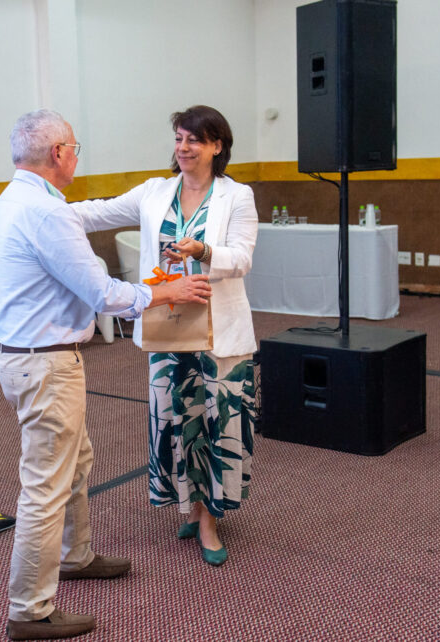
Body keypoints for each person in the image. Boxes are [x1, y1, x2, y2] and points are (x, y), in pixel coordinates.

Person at [0, 109, 212, 641]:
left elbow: (86, 250)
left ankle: (75, 555)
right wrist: (166, 291)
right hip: (46, 364)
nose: (76, 157)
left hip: (29, 357)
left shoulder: (13, 201)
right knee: (45, 487)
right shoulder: (47, 213)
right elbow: (104, 294)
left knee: (76, 461)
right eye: (75, 148)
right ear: (59, 153)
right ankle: (28, 611)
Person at [70, 105, 258, 567]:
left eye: (194, 139)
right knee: (177, 422)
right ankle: (190, 506)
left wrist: (204, 249)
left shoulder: (237, 196)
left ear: (217, 145)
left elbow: (241, 258)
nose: (183, 148)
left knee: (216, 425)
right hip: (168, 329)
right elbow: (97, 213)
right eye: (178, 138)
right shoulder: (155, 191)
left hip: (218, 335)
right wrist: (40, 209)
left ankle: (210, 520)